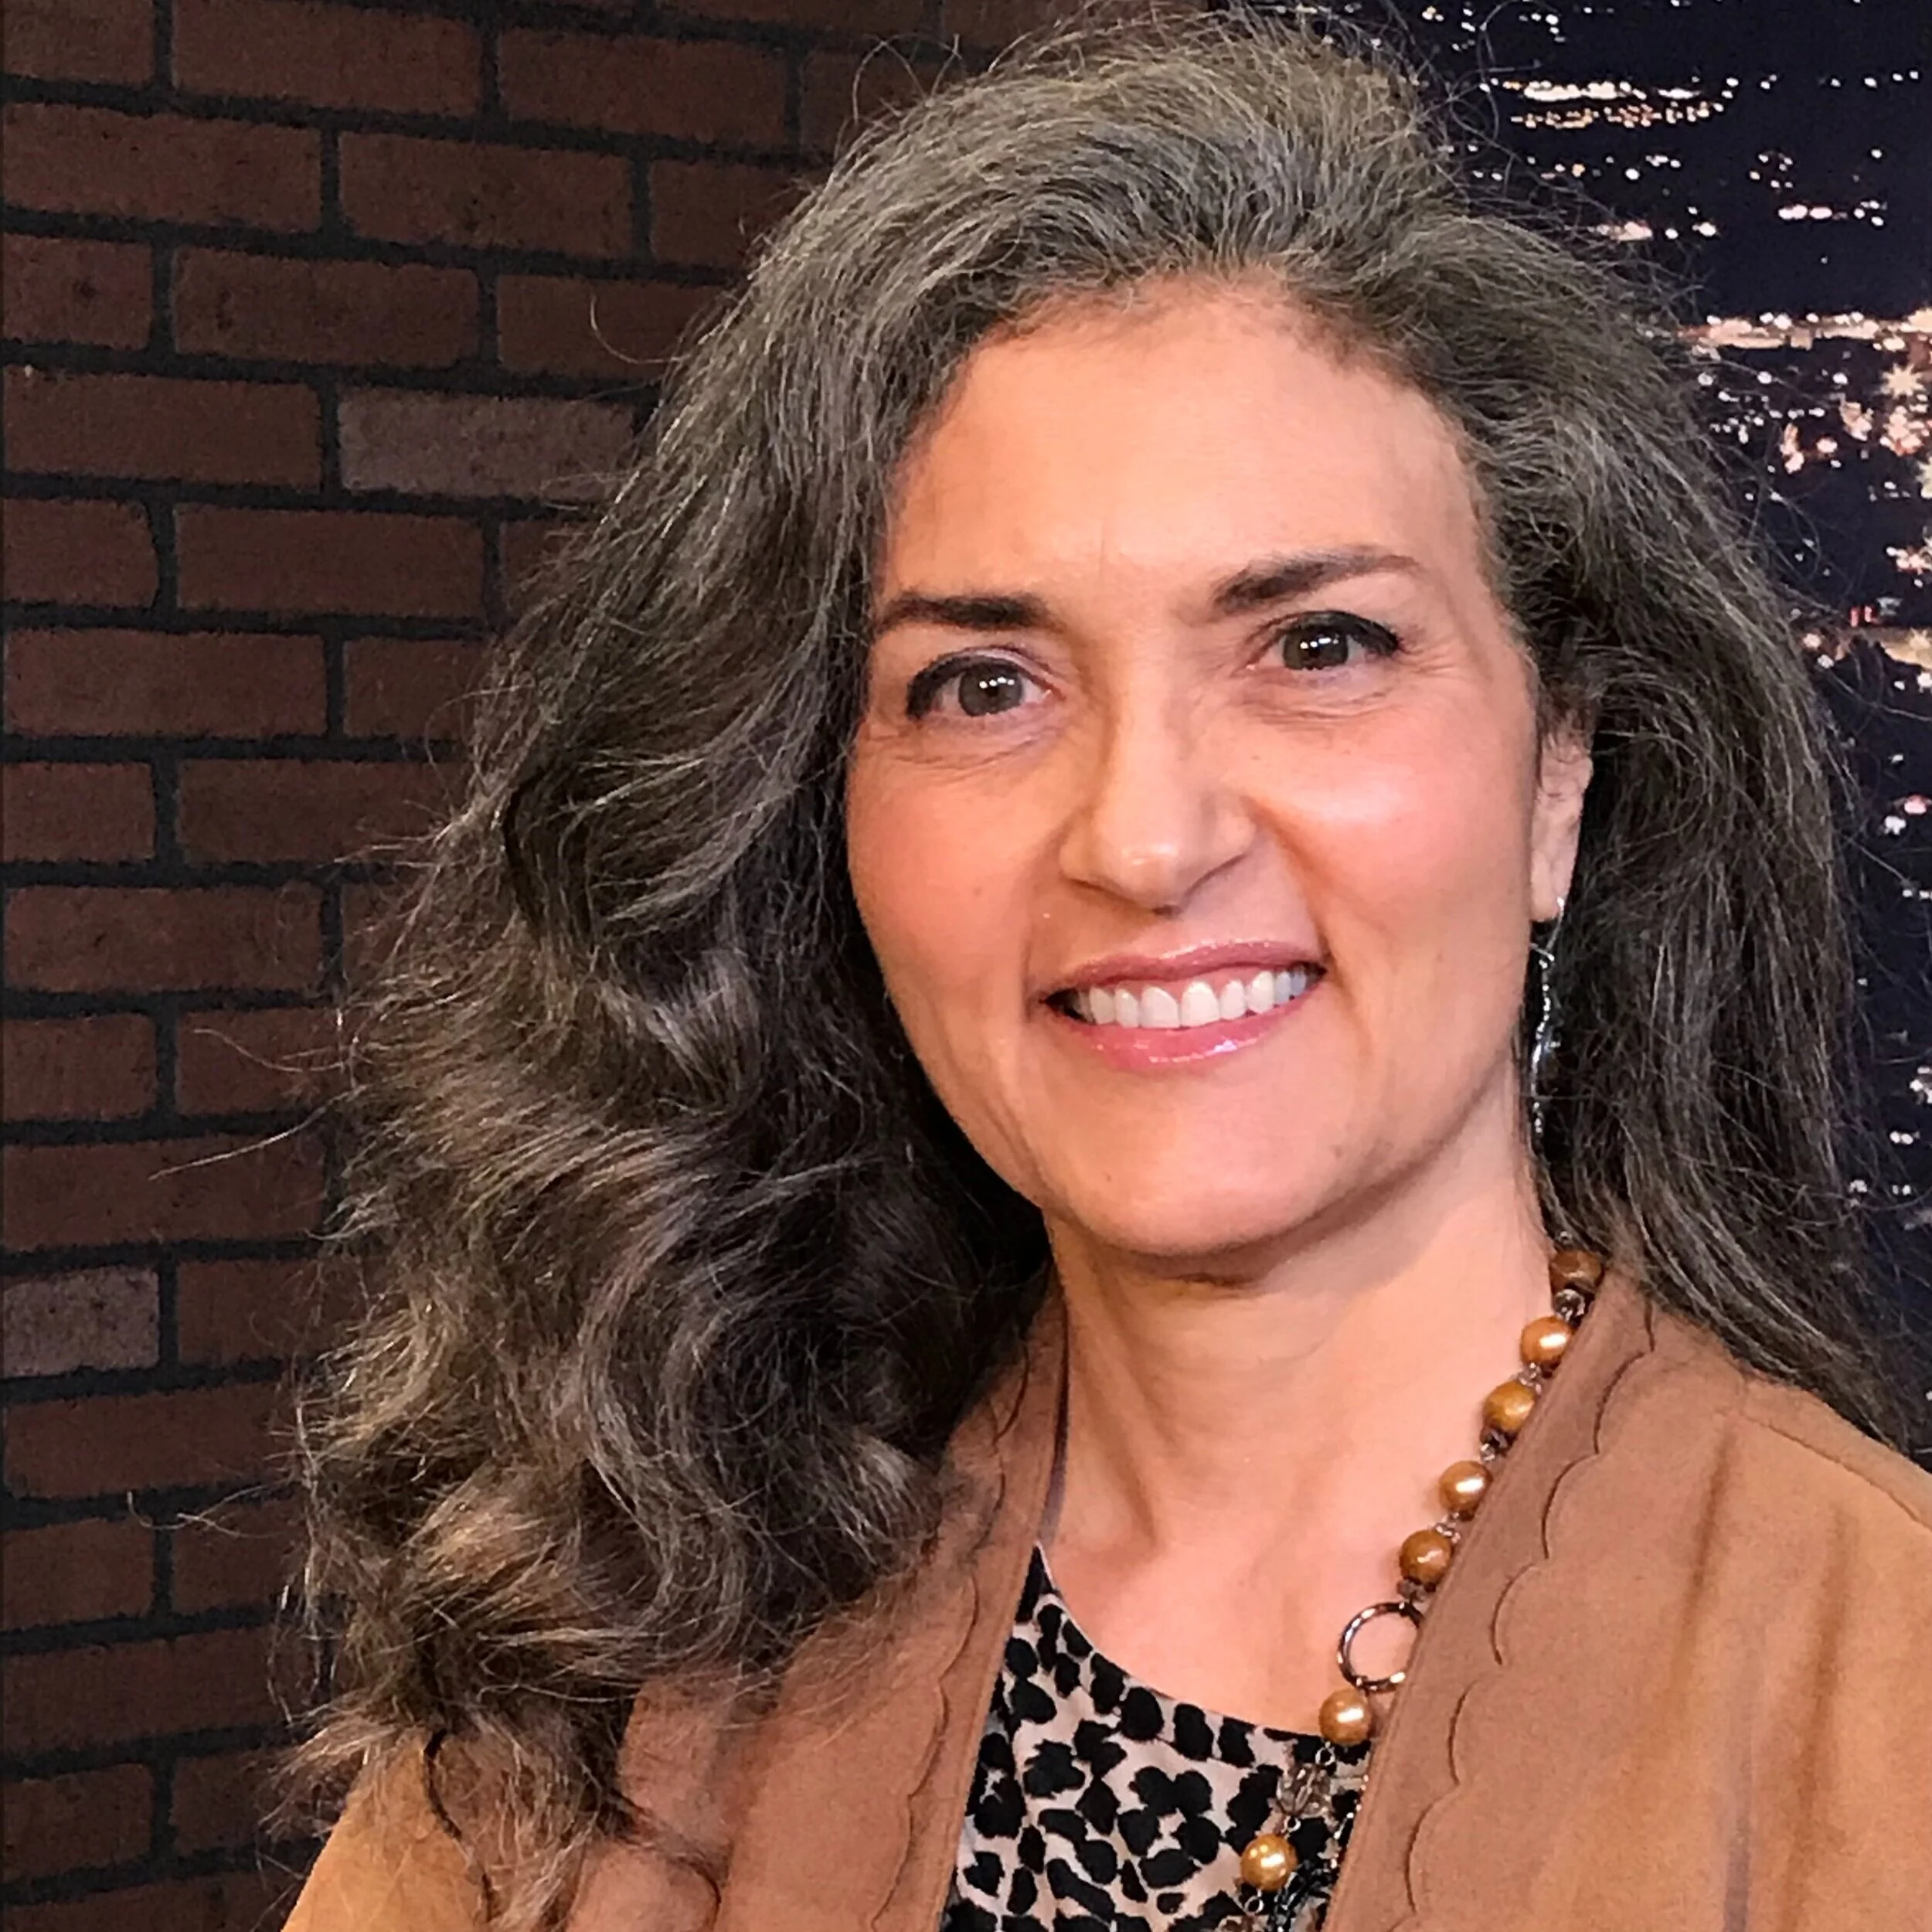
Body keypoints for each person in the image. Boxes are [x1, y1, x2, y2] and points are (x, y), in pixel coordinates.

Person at [284, 11, 1932, 1930]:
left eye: (1317, 645)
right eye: (981, 683)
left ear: (1557, 768)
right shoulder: (631, 1611)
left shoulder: (1873, 1683)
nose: (1144, 839)